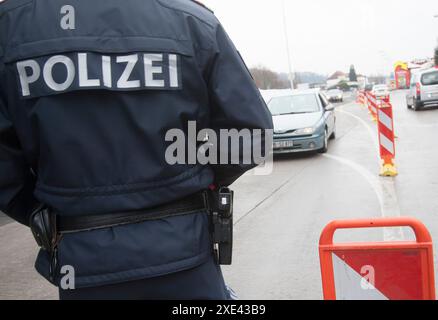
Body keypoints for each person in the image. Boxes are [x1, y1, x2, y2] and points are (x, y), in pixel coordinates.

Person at [0, 0, 273, 300]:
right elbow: (251, 136)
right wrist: (193, 181)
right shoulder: (190, 20)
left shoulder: (11, 26)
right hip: (183, 251)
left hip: (82, 260)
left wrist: (43, 212)